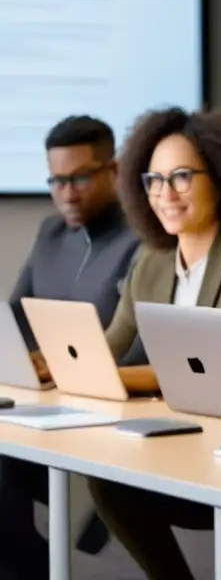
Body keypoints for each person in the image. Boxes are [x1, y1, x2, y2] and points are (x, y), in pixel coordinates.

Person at [86, 107, 221, 580]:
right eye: (154, 179)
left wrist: (132, 379)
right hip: (181, 453)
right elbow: (108, 345)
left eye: (182, 177)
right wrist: (46, 364)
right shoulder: (151, 264)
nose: (165, 194)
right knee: (105, 481)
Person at [0, 115, 139, 579]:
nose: (68, 193)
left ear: (114, 171)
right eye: (57, 180)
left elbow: (137, 351)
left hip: (108, 416)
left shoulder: (142, 241)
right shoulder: (50, 233)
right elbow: (15, 318)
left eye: (80, 177)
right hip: (42, 406)